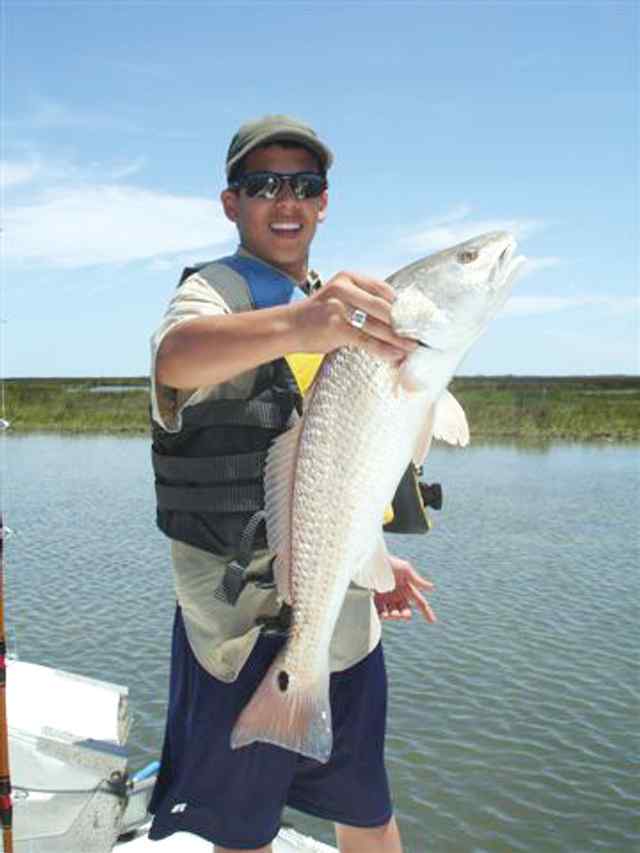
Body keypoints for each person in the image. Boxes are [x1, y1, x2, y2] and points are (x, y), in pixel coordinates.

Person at [147, 115, 437, 853]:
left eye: (304, 185)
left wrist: (371, 556)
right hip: (239, 633)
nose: (286, 200)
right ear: (230, 202)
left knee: (367, 812)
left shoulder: (337, 307)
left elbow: (335, 470)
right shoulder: (214, 293)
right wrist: (300, 326)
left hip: (341, 621)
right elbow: (175, 358)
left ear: (324, 203)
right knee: (242, 831)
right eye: (263, 184)